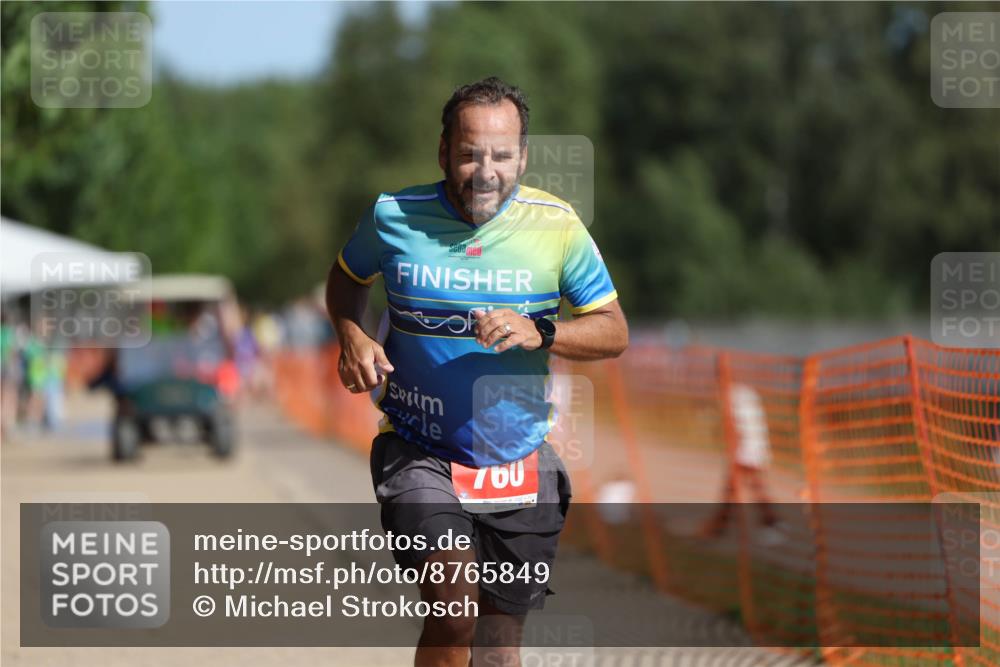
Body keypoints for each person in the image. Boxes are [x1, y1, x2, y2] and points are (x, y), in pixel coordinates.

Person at [325, 77, 628, 667]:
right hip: (418, 448)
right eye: (468, 154)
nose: (485, 171)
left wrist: (543, 330)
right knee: (453, 610)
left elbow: (614, 330)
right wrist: (350, 332)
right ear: (443, 153)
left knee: (496, 642)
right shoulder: (394, 216)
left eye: (501, 154)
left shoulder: (558, 225)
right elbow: (345, 278)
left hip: (517, 457)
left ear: (523, 156)